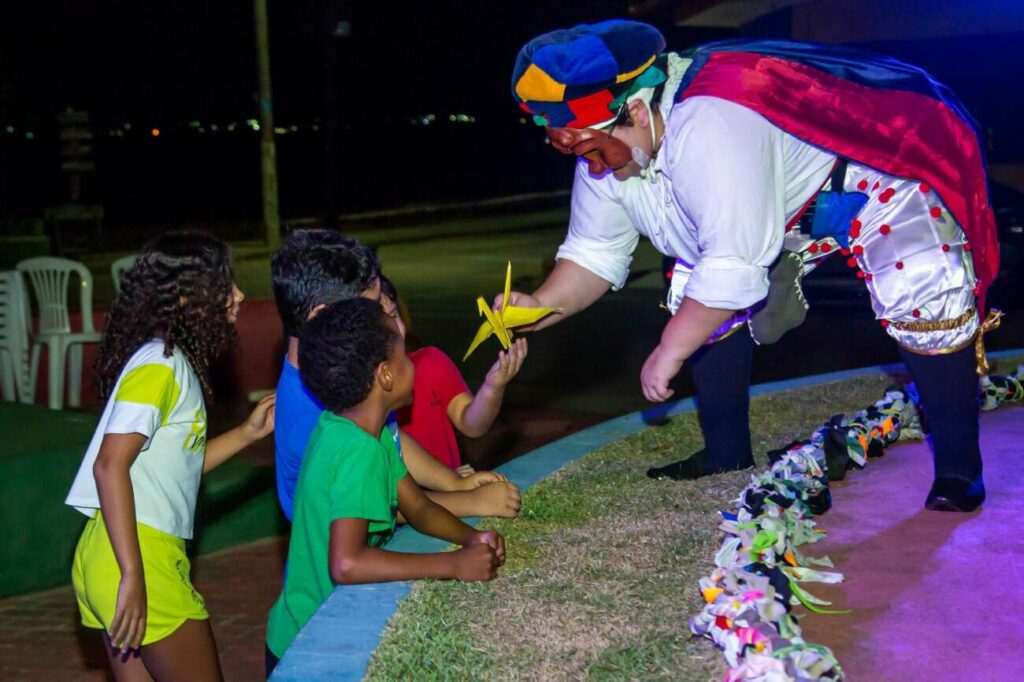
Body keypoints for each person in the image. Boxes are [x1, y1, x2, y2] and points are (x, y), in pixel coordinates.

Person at [502, 20, 1000, 511]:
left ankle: (959, 469)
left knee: (922, 286)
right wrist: (539, 306)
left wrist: (669, 351)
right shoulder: (611, 141)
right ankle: (726, 452)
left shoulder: (712, 120)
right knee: (692, 290)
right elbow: (593, 253)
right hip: (770, 213)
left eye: (593, 149)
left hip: (863, 190)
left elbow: (732, 263)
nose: (592, 168)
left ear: (634, 108)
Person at [65, 233, 276, 681]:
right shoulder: (161, 366)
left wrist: (245, 433)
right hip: (138, 555)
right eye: (223, 285)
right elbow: (109, 465)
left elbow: (177, 471)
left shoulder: (169, 362)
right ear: (185, 298)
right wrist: (133, 575)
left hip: (111, 552)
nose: (237, 296)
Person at [265, 298, 505, 674]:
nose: (412, 363)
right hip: (310, 646)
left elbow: (419, 508)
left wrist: (470, 538)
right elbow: (347, 562)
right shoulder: (358, 452)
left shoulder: (356, 429)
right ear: (386, 376)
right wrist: (453, 564)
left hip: (308, 628)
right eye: (404, 356)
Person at [271, 229, 521, 522]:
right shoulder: (311, 416)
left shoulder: (347, 372)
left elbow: (391, 439)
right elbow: (371, 504)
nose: (386, 321)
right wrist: (468, 502)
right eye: (371, 309)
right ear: (321, 316)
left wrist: (452, 482)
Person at [379, 275, 528, 474]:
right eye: (381, 321)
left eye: (394, 314)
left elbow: (472, 425)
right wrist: (445, 483)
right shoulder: (355, 396)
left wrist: (492, 388)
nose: (395, 329)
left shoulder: (430, 363)